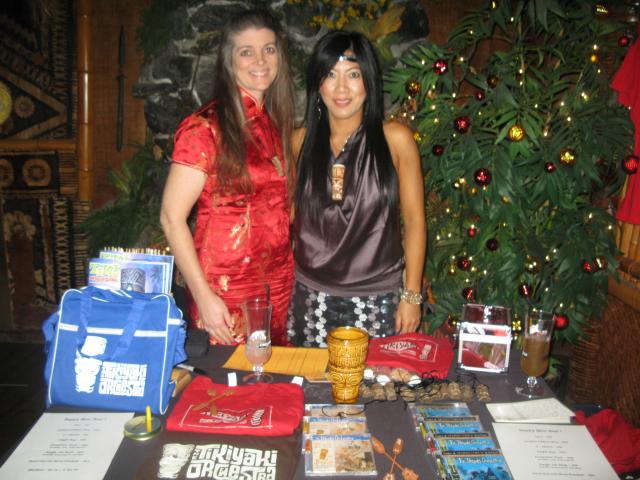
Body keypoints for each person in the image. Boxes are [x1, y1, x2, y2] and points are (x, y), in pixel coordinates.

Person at [160, 10, 295, 345]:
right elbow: (171, 218)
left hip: (278, 286)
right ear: (229, 61)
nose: (260, 60)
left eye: (269, 49)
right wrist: (202, 296)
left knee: (273, 374)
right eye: (246, 51)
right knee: (228, 377)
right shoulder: (205, 127)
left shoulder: (273, 124)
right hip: (225, 290)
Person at [287, 30, 426, 347]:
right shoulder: (298, 142)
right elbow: (286, 217)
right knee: (310, 379)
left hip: (379, 300)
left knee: (377, 379)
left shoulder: (396, 139)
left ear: (369, 81)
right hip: (309, 299)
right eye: (330, 75)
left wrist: (412, 296)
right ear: (317, 83)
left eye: (353, 74)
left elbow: (415, 221)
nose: (341, 88)